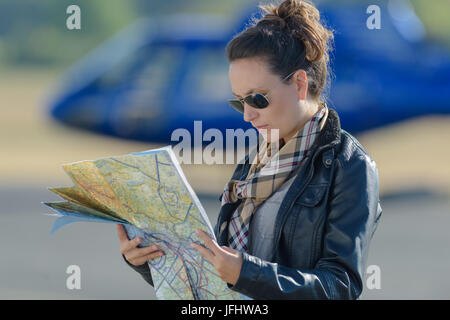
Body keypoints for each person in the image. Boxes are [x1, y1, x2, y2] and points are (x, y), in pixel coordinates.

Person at [118, 0, 382, 299]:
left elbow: (340, 288)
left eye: (257, 99)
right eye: (238, 101)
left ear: (299, 84)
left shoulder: (350, 166)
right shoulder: (254, 163)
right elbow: (214, 279)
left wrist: (245, 273)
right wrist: (148, 259)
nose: (246, 115)